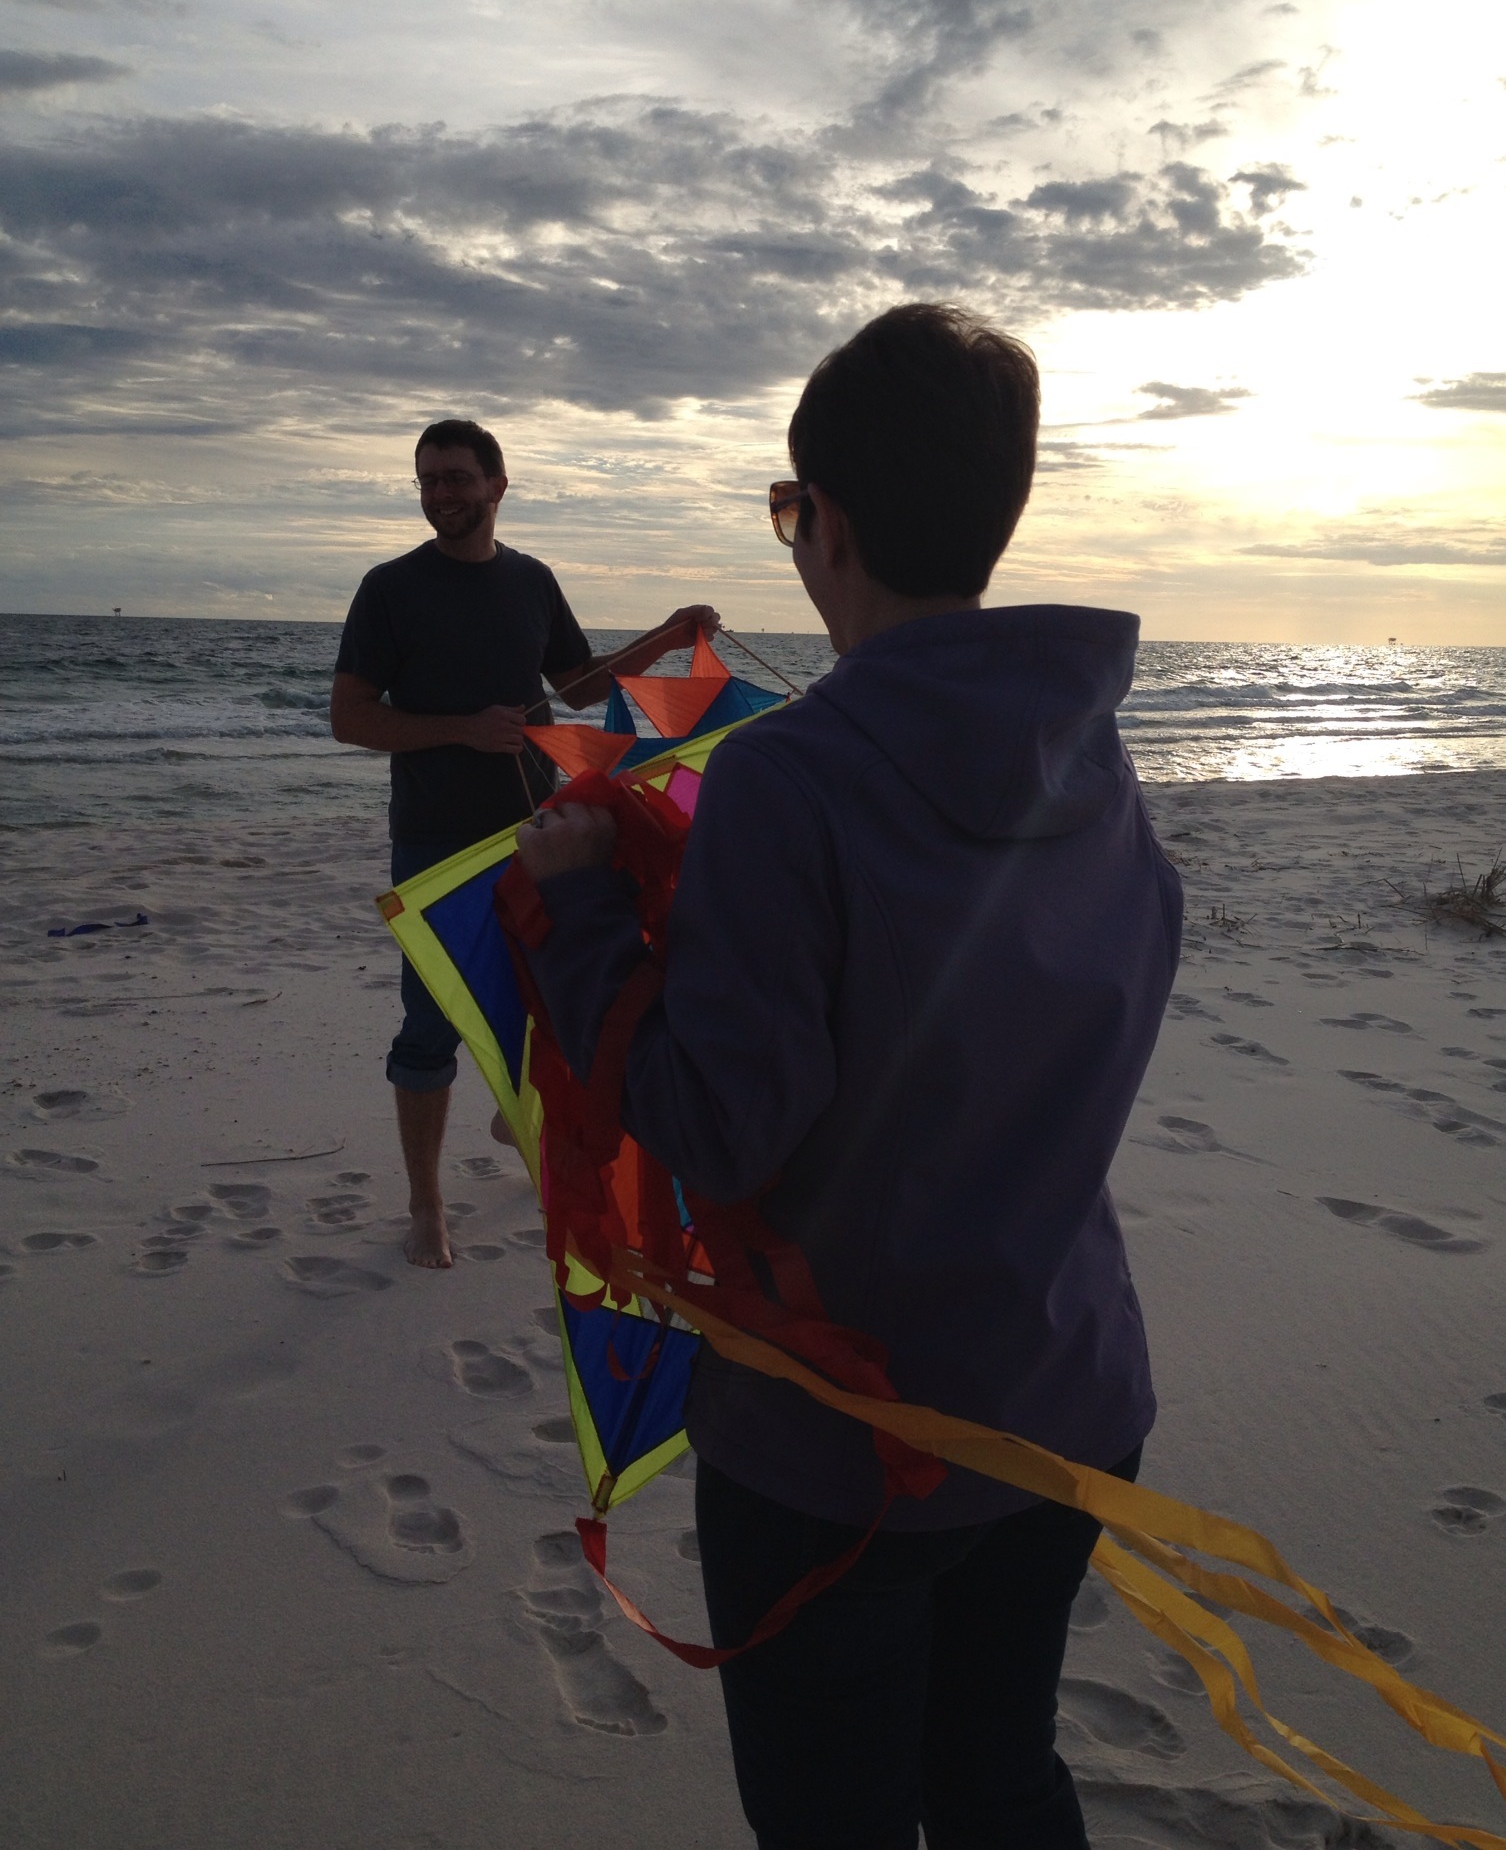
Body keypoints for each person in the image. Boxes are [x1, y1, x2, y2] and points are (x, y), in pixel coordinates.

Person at [514, 306, 1182, 1850]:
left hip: (848, 1446)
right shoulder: (1089, 749)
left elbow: (718, 1127)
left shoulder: (789, 774)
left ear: (828, 524)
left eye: (787, 508)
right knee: (1001, 1780)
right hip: (1066, 1393)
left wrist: (587, 917)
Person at [331, 417, 717, 1269]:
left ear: (497, 487)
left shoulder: (532, 581)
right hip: (435, 843)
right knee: (429, 1022)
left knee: (552, 995)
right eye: (429, 480)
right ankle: (427, 1204)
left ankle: (516, 1120)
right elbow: (349, 718)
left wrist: (667, 636)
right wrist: (463, 729)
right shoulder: (390, 588)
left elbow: (577, 688)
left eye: (457, 478)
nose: (441, 494)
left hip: (537, 832)